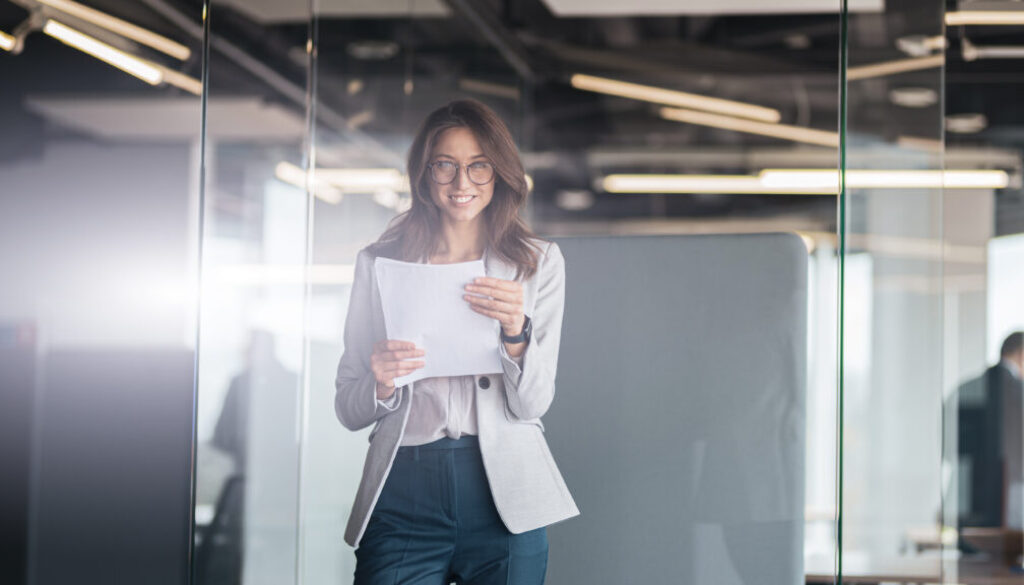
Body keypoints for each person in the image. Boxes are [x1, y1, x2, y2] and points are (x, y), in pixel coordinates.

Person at [334, 99, 579, 585]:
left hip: (503, 494)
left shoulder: (537, 263)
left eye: (478, 166)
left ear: (499, 173)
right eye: (445, 165)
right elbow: (348, 407)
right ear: (424, 174)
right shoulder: (379, 264)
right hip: (405, 487)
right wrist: (379, 382)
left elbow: (533, 404)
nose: (461, 183)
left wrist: (516, 334)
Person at [952, 331, 1024, 537]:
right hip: (1013, 503)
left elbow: (950, 451)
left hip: (967, 501)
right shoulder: (1020, 393)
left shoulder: (965, 388)